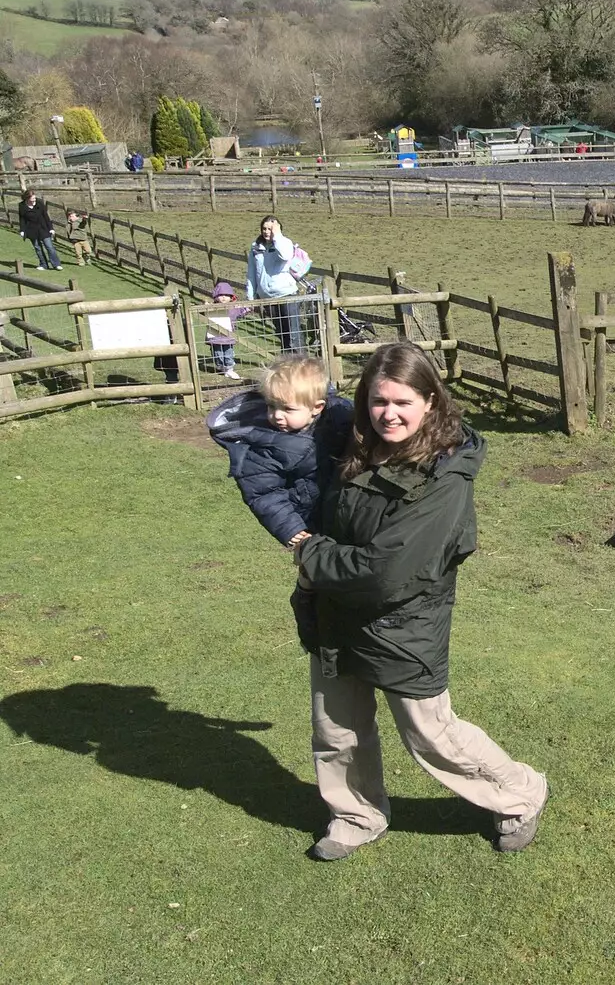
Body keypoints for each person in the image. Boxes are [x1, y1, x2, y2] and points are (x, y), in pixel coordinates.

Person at [293, 343, 549, 862]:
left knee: (432, 734)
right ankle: (356, 814)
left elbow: (387, 572)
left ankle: (521, 793)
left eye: (402, 402)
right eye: (378, 401)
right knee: (336, 729)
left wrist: (311, 554)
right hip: (338, 616)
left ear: (430, 401)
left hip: (402, 624)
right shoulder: (358, 446)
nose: (388, 413)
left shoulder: (444, 478)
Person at [207, 354, 354, 650]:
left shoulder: (339, 419)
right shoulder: (260, 446)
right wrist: (291, 530)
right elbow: (263, 494)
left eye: (287, 408)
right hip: (308, 526)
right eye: (272, 406)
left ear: (317, 408)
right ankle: (315, 638)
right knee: (314, 583)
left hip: (341, 514)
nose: (276, 416)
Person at [245, 215, 305, 353]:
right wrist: (251, 297)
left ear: (277, 229)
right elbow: (252, 272)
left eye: (270, 229)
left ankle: (300, 365)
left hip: (287, 294)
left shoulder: (285, 243)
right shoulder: (255, 248)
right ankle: (287, 364)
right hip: (268, 298)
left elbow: (284, 255)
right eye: (264, 228)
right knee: (281, 333)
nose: (266, 231)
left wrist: (277, 236)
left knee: (293, 334)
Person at [204, 281, 248, 380]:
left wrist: (249, 307)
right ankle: (220, 366)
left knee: (228, 353)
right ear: (216, 296)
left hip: (228, 336)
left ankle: (229, 369)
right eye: (221, 295)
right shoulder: (211, 307)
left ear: (231, 296)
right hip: (215, 336)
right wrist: (205, 307)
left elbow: (242, 311)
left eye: (227, 295)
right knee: (217, 354)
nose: (224, 297)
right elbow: (203, 313)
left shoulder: (234, 307)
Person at [18, 191, 62, 271]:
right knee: (38, 247)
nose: (34, 199)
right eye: (33, 198)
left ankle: (56, 264)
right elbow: (22, 219)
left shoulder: (39, 203)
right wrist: (22, 230)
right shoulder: (22, 206)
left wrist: (51, 228)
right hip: (31, 229)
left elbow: (46, 216)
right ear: (27, 198)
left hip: (43, 228)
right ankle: (43, 264)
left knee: (49, 247)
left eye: (35, 197)